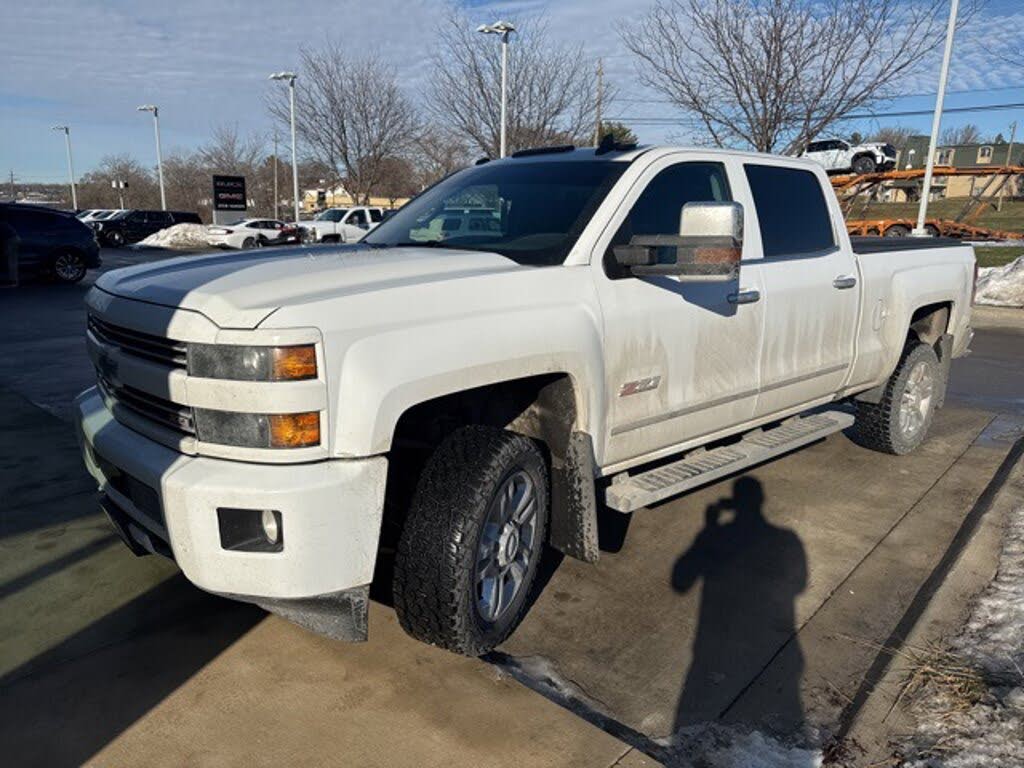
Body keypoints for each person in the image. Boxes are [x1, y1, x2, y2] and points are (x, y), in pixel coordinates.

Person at [0, 217, 18, 287]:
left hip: (12, 240)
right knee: (12, 261)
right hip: (13, 239)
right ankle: (12, 280)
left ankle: (13, 281)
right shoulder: (4, 223)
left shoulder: (1, 225)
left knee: (12, 262)